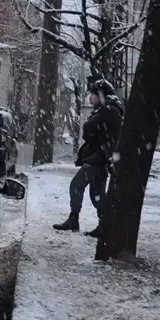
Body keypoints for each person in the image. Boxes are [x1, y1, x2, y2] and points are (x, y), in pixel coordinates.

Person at [54, 75, 125, 236]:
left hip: (98, 158)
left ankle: (75, 219)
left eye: (93, 94)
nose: (90, 98)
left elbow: (88, 129)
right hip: (101, 157)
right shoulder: (110, 110)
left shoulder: (108, 110)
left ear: (100, 95)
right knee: (97, 194)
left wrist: (92, 132)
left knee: (76, 185)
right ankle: (104, 225)